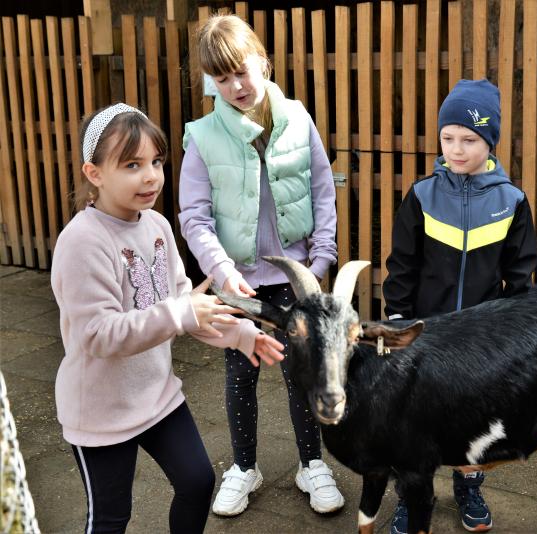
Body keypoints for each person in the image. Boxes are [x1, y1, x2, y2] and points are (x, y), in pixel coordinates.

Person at [51, 103, 286, 533]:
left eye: (156, 161)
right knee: (110, 519)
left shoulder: (157, 225)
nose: (151, 175)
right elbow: (98, 334)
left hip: (157, 397)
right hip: (100, 413)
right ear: (94, 173)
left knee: (198, 482)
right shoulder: (82, 241)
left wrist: (242, 335)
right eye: (132, 164)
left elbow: (182, 303)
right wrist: (180, 312)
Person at [178, 14, 342, 517]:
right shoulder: (203, 136)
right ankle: (244, 466)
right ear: (211, 80)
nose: (236, 86)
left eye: (242, 71)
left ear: (263, 62)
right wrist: (222, 269)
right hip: (239, 283)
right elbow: (194, 216)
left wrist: (321, 257)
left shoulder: (297, 117)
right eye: (222, 78)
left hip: (296, 276)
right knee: (239, 373)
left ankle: (311, 463)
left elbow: (321, 187)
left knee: (302, 372)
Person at [383, 78, 537, 533]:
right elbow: (402, 265)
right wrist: (398, 320)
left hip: (481, 340)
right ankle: (412, 497)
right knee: (416, 420)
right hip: (425, 335)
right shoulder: (422, 195)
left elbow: (520, 274)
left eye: (469, 140)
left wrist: (514, 333)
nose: (455, 149)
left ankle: (469, 488)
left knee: (474, 418)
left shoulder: (511, 201)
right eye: (447, 138)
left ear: (489, 142)